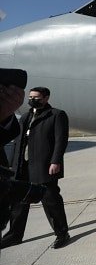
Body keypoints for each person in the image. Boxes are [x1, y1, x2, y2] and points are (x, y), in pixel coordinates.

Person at [1, 87, 71, 250]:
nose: (33, 100)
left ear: (46, 98)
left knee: (51, 201)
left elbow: (61, 141)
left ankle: (62, 234)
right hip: (22, 166)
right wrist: (12, 164)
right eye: (31, 97)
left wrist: (56, 161)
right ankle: (14, 235)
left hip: (43, 165)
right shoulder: (25, 117)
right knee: (18, 203)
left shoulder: (56, 115)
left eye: (37, 97)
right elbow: (18, 142)